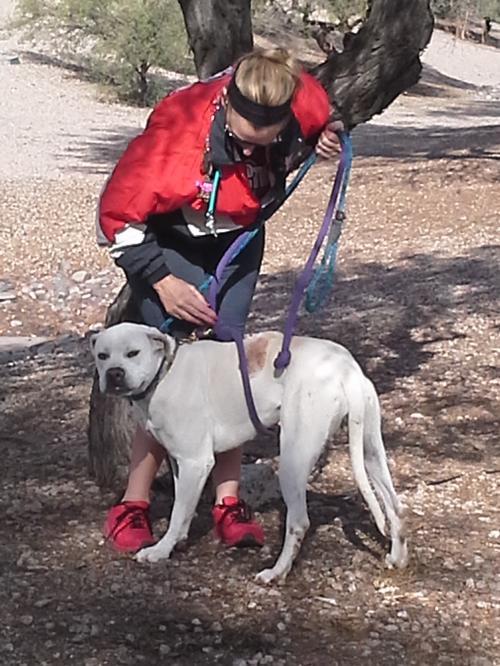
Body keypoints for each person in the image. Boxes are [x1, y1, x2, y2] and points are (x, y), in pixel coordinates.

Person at [97, 47, 342, 553]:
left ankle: (227, 503)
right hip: (168, 241)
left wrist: (326, 138)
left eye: (266, 145)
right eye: (242, 143)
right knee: (163, 378)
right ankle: (134, 503)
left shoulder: (300, 99)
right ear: (226, 107)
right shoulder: (175, 137)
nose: (252, 155)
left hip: (239, 238)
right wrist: (163, 281)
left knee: (230, 363)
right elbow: (116, 218)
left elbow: (327, 113)